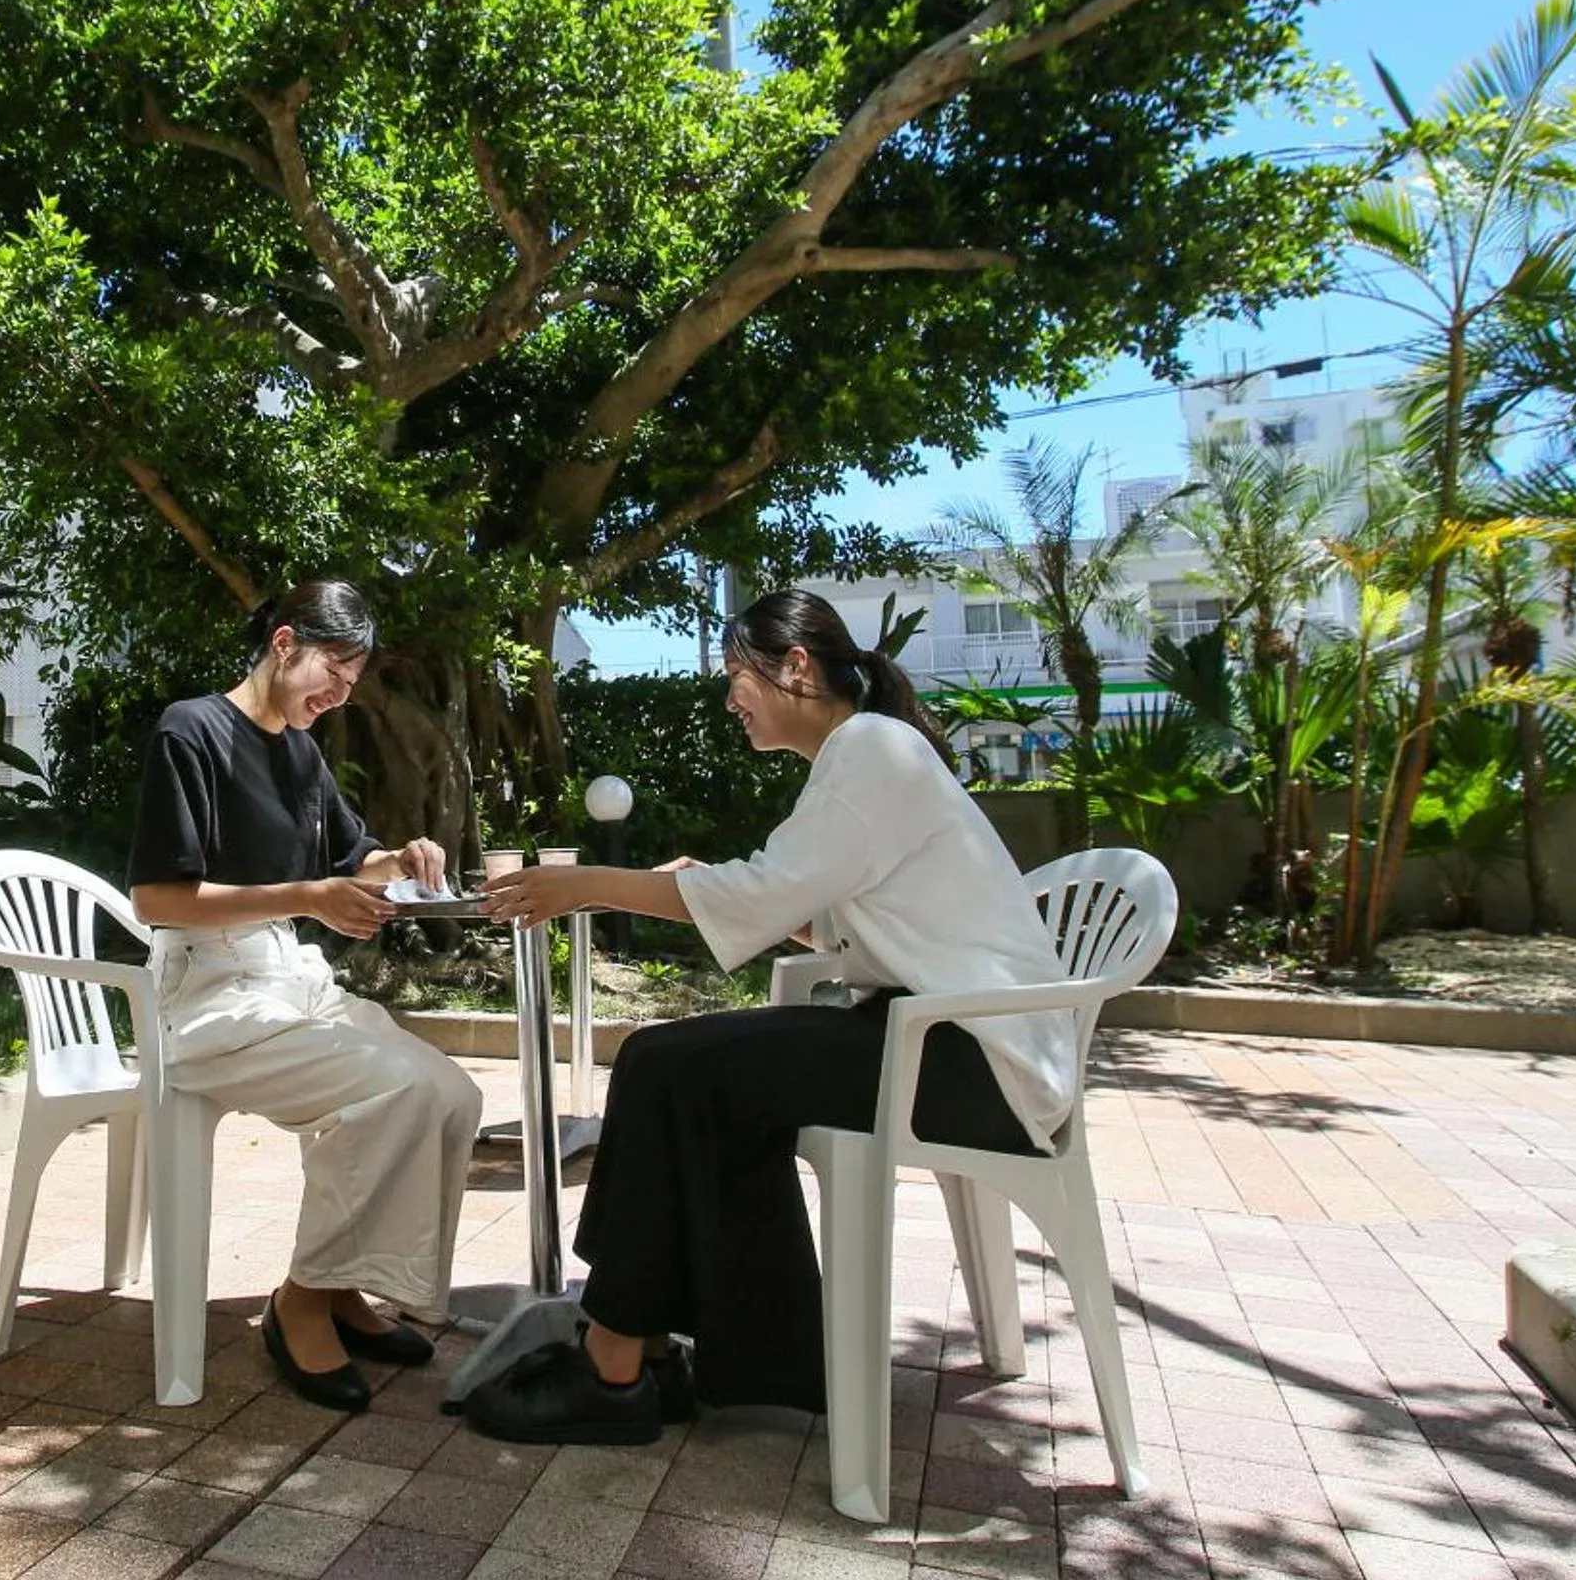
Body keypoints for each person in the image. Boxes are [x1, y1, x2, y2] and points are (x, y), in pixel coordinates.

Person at [463, 588, 1064, 1444]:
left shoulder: (871, 751)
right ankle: (715, 1358)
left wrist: (585, 883)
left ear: (795, 666)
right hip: (944, 1039)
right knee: (698, 1080)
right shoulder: (865, 756)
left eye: (736, 675)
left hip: (967, 1059)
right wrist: (727, 885)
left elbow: (765, 891)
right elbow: (829, 911)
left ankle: (614, 1364)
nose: (728, 699)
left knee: (665, 1062)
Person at [129, 580, 485, 1412]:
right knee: (394, 1089)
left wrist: (401, 861)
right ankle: (299, 1301)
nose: (339, 692)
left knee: (450, 1093)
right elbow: (159, 899)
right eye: (335, 666)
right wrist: (307, 898)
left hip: (291, 984)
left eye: (354, 682)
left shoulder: (301, 751)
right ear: (284, 641)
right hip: (210, 994)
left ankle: (340, 1287)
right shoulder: (194, 729)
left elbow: (350, 861)